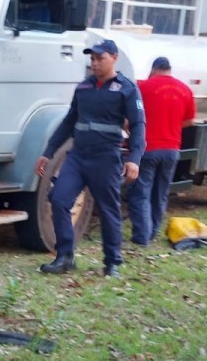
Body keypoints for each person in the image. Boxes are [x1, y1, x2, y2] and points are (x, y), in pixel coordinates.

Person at [34, 39, 145, 278]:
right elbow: (68, 122)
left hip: (106, 159)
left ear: (114, 57)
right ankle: (65, 256)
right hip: (77, 157)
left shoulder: (126, 88)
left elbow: (138, 125)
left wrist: (134, 158)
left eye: (99, 58)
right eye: (92, 59)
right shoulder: (83, 88)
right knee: (60, 199)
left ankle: (112, 262)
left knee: (108, 210)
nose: (94, 63)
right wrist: (48, 152)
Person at [126, 56, 196, 246]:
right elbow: (190, 121)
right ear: (169, 69)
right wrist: (171, 126)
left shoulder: (143, 86)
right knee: (160, 194)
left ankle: (142, 237)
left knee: (141, 193)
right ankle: (152, 232)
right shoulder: (185, 89)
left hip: (148, 149)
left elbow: (130, 116)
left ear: (154, 69)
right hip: (172, 149)